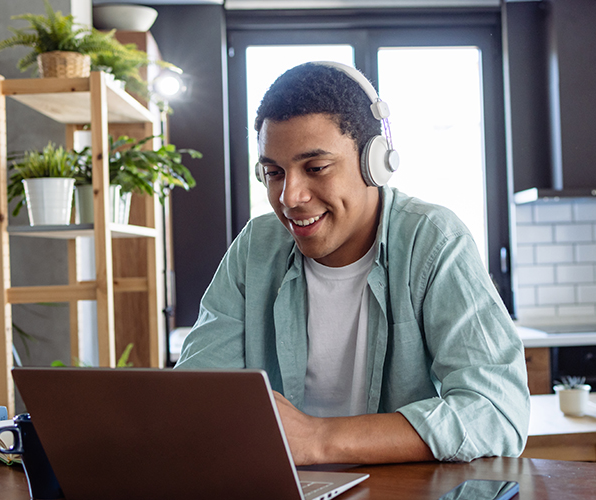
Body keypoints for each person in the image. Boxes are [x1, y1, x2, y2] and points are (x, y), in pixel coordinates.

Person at [175, 61, 528, 465]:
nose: (290, 197)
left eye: (316, 168)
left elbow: (497, 413)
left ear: (374, 162)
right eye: (273, 173)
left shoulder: (433, 240)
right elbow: (197, 396)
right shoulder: (256, 247)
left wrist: (320, 439)